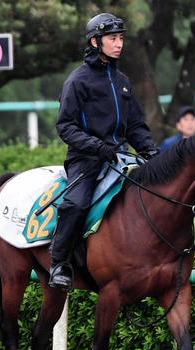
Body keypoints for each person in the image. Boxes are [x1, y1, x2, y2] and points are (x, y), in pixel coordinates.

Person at [50, 12, 159, 290]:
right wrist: (97, 147)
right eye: (113, 38)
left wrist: (150, 151)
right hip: (85, 160)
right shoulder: (77, 81)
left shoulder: (122, 80)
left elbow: (135, 124)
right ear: (96, 42)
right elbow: (65, 126)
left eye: (121, 38)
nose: (119, 44)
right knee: (76, 203)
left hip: (120, 157)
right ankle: (59, 263)